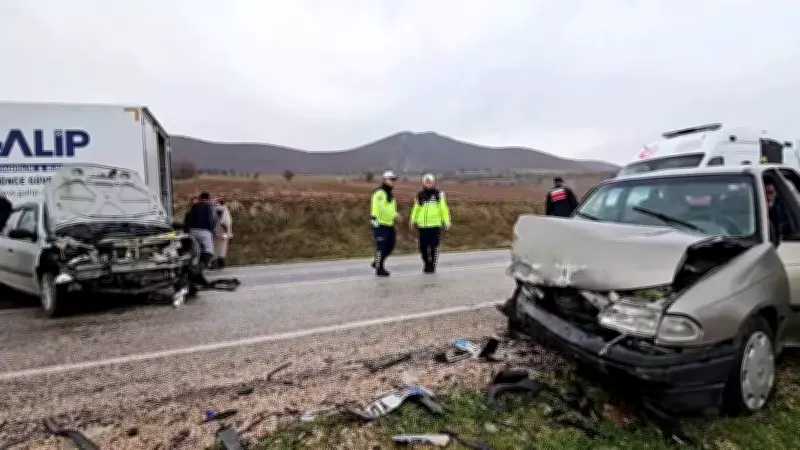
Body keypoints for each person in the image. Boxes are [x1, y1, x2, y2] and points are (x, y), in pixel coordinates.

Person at [410, 173, 451, 273]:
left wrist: (446, 221)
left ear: (433, 183)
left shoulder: (439, 195)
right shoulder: (419, 195)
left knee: (433, 246)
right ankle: (426, 263)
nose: (428, 184)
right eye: (426, 182)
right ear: (424, 183)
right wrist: (412, 219)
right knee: (423, 247)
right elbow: (416, 208)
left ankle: (432, 264)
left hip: (435, 225)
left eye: (430, 182)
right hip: (423, 225)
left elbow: (443, 209)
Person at [370, 170, 401, 277]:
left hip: (388, 223)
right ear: (385, 180)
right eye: (391, 179)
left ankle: (377, 262)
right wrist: (394, 215)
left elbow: (390, 207)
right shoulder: (380, 192)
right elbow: (381, 207)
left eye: (394, 180)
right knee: (381, 246)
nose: (393, 182)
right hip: (379, 222)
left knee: (391, 245)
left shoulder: (389, 193)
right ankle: (379, 268)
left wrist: (393, 216)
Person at [184, 191, 217, 268]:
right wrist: (212, 231)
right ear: (208, 199)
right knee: (209, 250)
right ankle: (205, 263)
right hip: (205, 231)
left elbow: (187, 218)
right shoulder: (210, 207)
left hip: (192, 231)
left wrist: (187, 231)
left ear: (200, 199)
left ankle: (194, 264)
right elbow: (211, 220)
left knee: (196, 249)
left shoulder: (193, 207)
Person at [213, 199, 233, 269]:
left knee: (219, 248)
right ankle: (220, 263)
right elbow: (227, 223)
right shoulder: (225, 210)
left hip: (221, 232)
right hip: (222, 232)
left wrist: (226, 232)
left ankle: (219, 263)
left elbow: (223, 223)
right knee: (221, 249)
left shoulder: (221, 209)